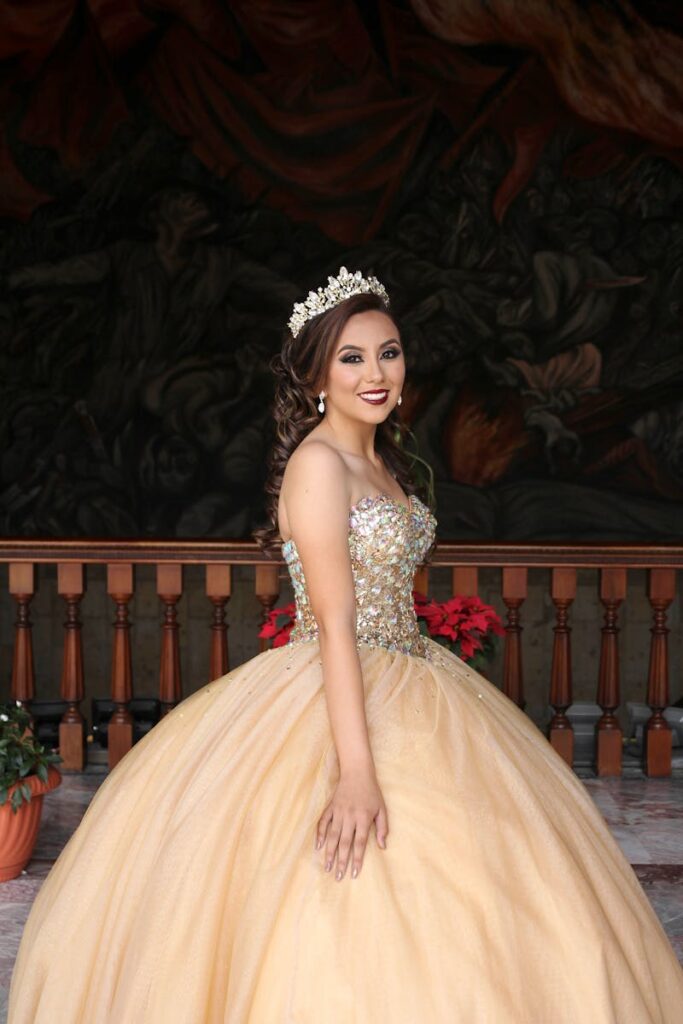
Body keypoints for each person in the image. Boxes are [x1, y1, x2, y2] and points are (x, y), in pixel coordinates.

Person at [8, 268, 683, 1022]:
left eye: (388, 353)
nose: (376, 372)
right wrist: (355, 774)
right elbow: (334, 623)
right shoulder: (319, 464)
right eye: (353, 357)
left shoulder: (383, 463)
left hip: (414, 674)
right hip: (338, 678)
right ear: (316, 373)